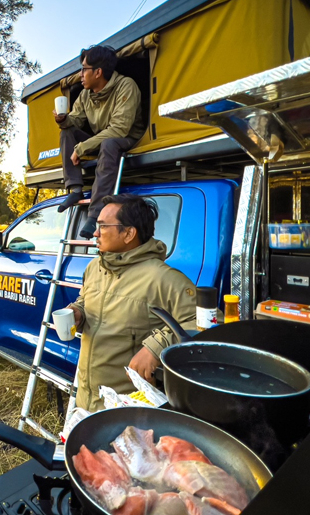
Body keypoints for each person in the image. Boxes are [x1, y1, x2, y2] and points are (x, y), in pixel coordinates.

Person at [68, 194, 197, 412]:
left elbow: (203, 323)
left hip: (129, 409)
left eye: (102, 226)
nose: (95, 233)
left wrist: (156, 348)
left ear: (128, 233)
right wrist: (77, 311)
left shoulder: (163, 278)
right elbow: (84, 299)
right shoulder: (94, 268)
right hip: (86, 401)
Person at [55, 45, 146, 238]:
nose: (80, 74)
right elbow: (76, 120)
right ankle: (75, 188)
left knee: (109, 143)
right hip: (103, 141)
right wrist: (64, 120)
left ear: (98, 72)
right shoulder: (85, 94)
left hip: (127, 138)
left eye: (84, 69)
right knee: (66, 131)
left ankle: (95, 214)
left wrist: (81, 148)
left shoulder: (126, 86)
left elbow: (119, 129)